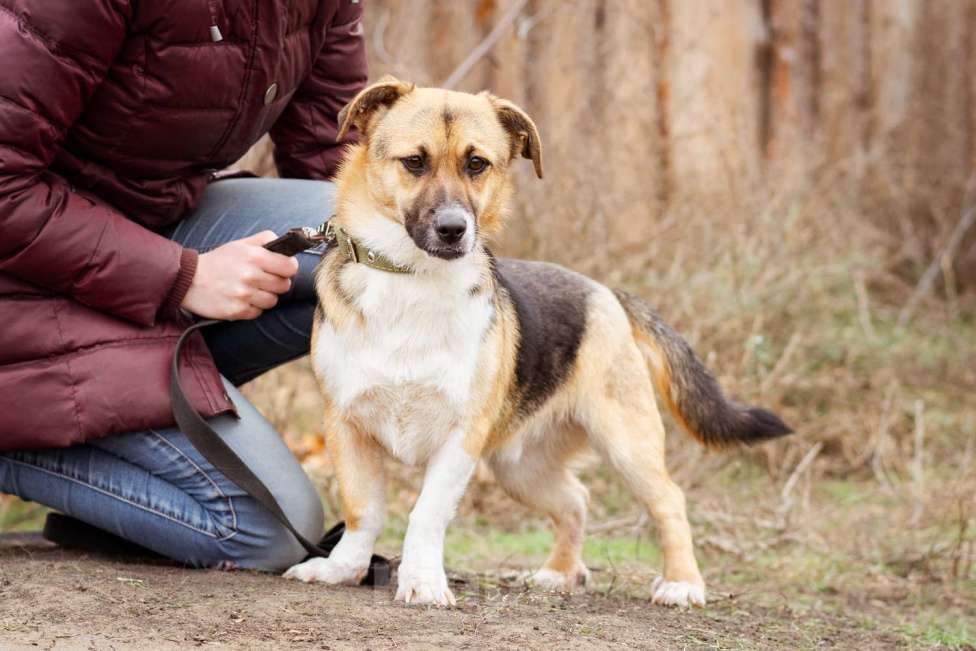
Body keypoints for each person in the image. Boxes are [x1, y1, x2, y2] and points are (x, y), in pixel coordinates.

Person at [0, 1, 368, 571]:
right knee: (267, 530)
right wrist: (182, 277)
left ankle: (148, 384)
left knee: (371, 243)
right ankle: (24, 430)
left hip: (142, 231)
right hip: (22, 275)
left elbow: (333, 159)